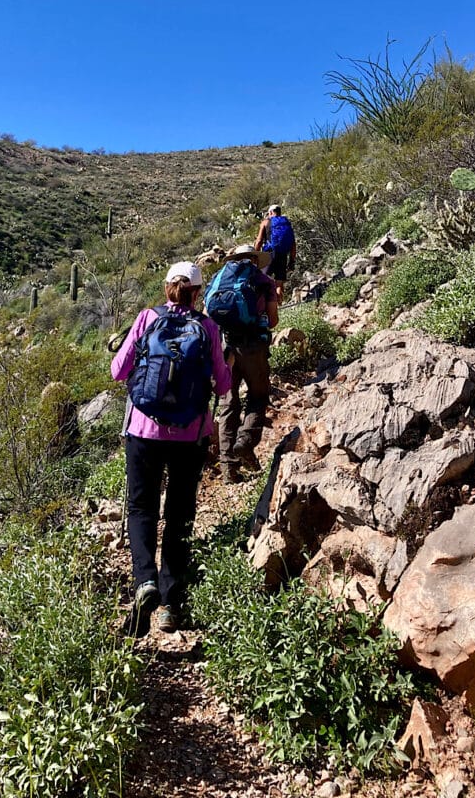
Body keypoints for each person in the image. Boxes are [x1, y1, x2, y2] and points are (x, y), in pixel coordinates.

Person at [111, 261, 231, 637]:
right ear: (198, 294)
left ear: (167, 289)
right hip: (190, 435)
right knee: (179, 514)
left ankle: (144, 582)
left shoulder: (147, 318)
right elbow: (224, 386)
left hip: (143, 431)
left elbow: (117, 371)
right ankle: (170, 604)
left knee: (142, 507)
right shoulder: (208, 328)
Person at [212, 245, 278, 484]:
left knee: (228, 403)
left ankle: (229, 470)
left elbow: (210, 316)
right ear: (253, 259)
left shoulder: (219, 278)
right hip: (253, 347)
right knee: (258, 395)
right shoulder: (263, 280)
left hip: (225, 347)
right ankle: (245, 440)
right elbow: (273, 321)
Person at [254, 204, 296, 302]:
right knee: (279, 283)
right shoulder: (286, 223)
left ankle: (264, 307)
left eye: (269, 213)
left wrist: (254, 255)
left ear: (271, 212)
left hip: (268, 255)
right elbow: (293, 244)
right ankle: (279, 305)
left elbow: (259, 241)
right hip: (282, 255)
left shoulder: (265, 222)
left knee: (262, 281)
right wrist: (292, 261)